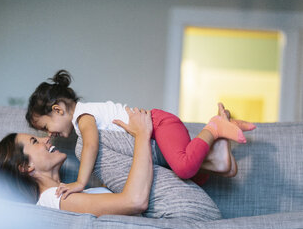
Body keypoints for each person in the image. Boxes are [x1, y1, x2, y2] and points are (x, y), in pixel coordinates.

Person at [26, 70, 255, 199]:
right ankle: (218, 160)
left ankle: (213, 128)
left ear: (58, 109)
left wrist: (79, 182)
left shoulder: (83, 116)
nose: (51, 134)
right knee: (188, 175)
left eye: (46, 127)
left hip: (159, 124)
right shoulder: (85, 115)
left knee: (184, 167)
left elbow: (91, 147)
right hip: (157, 133)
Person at [0, 107, 154, 217]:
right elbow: (134, 201)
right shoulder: (54, 198)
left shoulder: (63, 194)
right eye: (35, 142)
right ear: (26, 167)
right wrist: (142, 134)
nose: (46, 139)